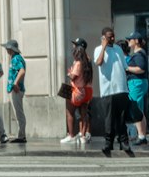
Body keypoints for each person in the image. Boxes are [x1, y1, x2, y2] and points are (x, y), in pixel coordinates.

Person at [94, 25, 133, 157]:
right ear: (104, 37)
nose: (113, 38)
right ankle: (108, 142)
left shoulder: (118, 49)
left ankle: (124, 142)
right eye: (110, 37)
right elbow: (98, 62)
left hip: (121, 88)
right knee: (109, 119)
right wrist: (104, 47)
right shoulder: (98, 49)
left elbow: (124, 67)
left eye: (113, 36)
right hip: (107, 89)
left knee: (121, 118)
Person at [63, 38, 92, 147]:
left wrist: (69, 73)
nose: (73, 47)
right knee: (84, 113)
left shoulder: (78, 62)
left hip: (77, 90)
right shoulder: (88, 60)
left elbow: (73, 77)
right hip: (88, 90)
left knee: (69, 111)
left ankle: (70, 135)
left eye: (75, 45)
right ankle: (83, 136)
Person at [126, 34, 148, 146]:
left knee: (136, 110)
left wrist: (127, 68)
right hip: (137, 83)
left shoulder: (139, 55)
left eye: (130, 39)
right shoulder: (139, 54)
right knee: (139, 110)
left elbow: (141, 69)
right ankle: (142, 136)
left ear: (136, 41)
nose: (128, 41)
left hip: (136, 83)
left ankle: (141, 136)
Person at [4, 40, 27, 144]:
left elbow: (22, 71)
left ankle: (21, 135)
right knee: (18, 112)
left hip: (16, 89)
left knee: (19, 113)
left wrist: (15, 83)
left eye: (7, 48)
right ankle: (20, 134)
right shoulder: (15, 58)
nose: (6, 50)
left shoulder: (16, 58)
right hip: (16, 88)